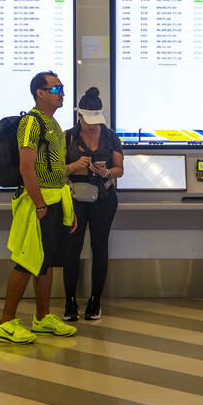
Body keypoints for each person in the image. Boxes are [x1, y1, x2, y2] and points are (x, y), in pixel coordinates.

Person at [0, 70, 79, 344]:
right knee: (27, 262)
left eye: (62, 88)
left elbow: (57, 168)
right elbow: (26, 168)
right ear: (40, 93)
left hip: (56, 200)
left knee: (46, 261)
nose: (62, 93)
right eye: (56, 89)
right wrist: (40, 204)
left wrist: (68, 207)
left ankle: (42, 318)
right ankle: (5, 322)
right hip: (38, 203)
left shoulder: (53, 124)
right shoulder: (31, 123)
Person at [62, 87, 124, 322]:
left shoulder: (110, 136)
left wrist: (106, 171)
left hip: (103, 199)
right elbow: (56, 171)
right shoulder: (67, 137)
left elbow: (119, 169)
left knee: (100, 247)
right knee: (72, 249)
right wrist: (74, 166)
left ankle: (95, 301)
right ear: (79, 115)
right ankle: (70, 301)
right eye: (88, 120)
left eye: (96, 120)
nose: (92, 125)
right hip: (74, 199)